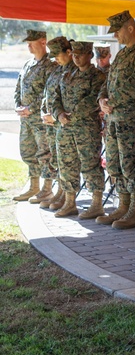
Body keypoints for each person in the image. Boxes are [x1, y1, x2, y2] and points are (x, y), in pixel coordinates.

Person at [97, 11, 135, 230]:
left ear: (130, 28)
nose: (116, 37)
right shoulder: (122, 55)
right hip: (113, 118)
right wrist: (102, 99)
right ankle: (123, 205)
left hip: (129, 118)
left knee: (129, 164)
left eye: (118, 31)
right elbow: (108, 81)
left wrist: (111, 100)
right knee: (114, 163)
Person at [52, 40, 106, 218]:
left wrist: (72, 115)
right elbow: (56, 97)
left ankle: (96, 203)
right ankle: (70, 202)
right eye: (73, 54)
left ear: (90, 55)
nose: (75, 57)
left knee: (90, 164)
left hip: (86, 128)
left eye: (80, 54)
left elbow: (94, 99)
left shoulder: (97, 76)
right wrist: (59, 114)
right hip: (65, 127)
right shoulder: (67, 74)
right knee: (66, 164)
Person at [12, 29, 55, 202]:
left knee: (44, 154)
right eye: (27, 42)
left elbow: (49, 92)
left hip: (40, 120)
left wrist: (32, 107)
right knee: (28, 152)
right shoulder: (28, 64)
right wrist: (18, 106)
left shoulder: (51, 65)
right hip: (26, 119)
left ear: (43, 42)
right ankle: (33, 187)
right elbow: (18, 88)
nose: (28, 45)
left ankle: (47, 189)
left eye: (32, 41)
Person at [39, 37, 75, 211]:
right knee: (57, 160)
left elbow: (68, 101)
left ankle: (66, 194)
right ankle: (60, 190)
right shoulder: (56, 70)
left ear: (69, 52)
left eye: (58, 55)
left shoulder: (73, 71)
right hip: (51, 123)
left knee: (67, 162)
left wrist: (55, 115)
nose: (55, 59)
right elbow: (47, 95)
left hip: (62, 123)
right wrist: (43, 112)